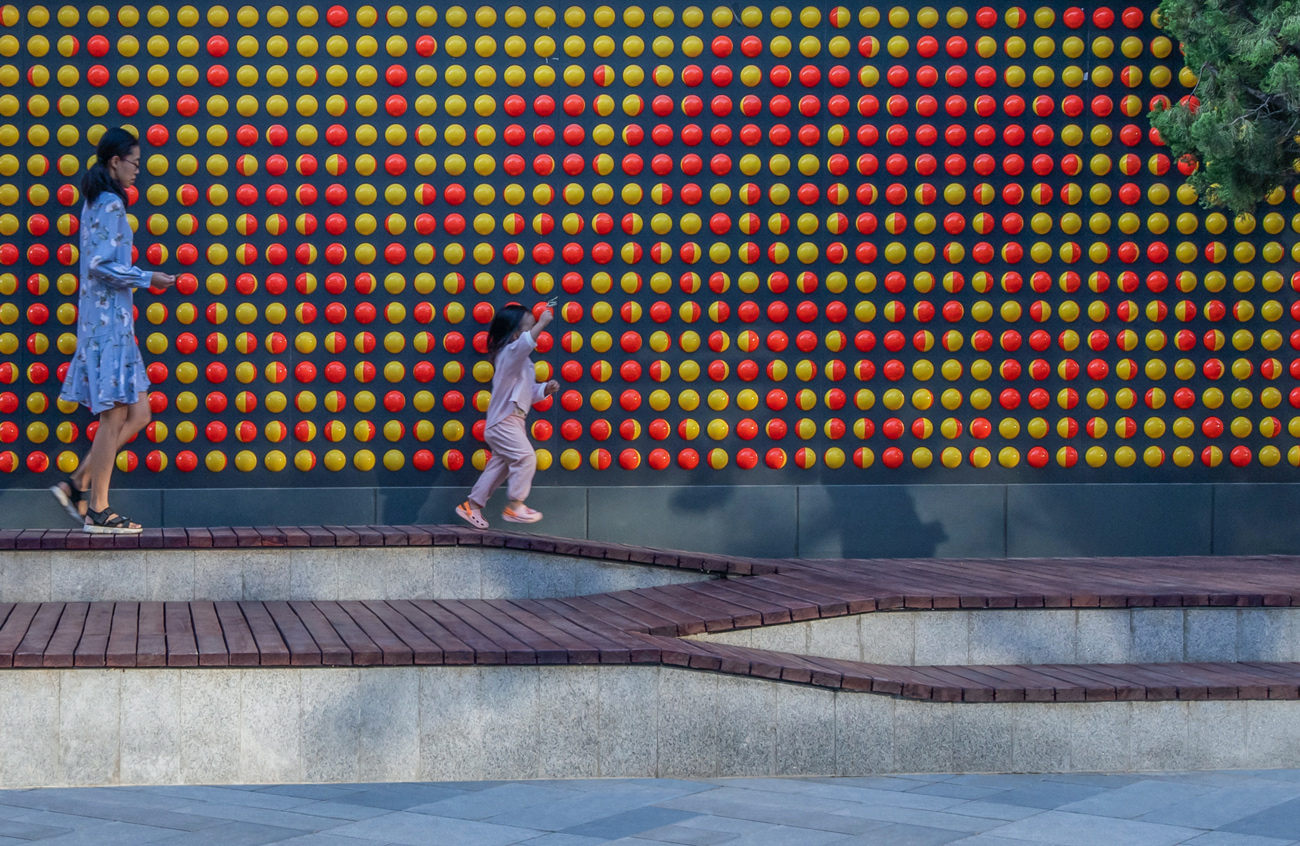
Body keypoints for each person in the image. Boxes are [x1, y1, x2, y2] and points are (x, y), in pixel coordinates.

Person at [49, 128, 176, 534]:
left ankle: (78, 483)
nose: (138, 170)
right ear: (114, 162)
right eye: (134, 163)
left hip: (113, 324)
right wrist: (148, 277)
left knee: (139, 413)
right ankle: (100, 510)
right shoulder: (109, 204)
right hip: (108, 326)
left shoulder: (95, 201)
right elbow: (100, 265)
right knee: (114, 416)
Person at [456, 302, 559, 527]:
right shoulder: (509, 353)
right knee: (526, 457)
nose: (533, 332)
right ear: (514, 336)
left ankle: (471, 506)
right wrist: (542, 323)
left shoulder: (522, 362)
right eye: (528, 328)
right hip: (505, 421)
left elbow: (527, 392)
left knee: (499, 466)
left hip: (509, 421)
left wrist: (544, 390)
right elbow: (525, 344)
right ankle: (515, 506)